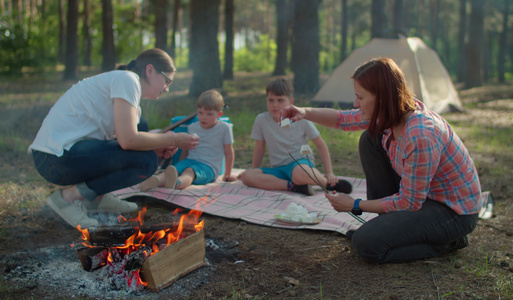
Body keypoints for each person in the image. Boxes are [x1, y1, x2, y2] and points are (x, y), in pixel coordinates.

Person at [279, 58, 482, 263]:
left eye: (360, 97)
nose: (356, 104)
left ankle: (448, 243)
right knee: (370, 138)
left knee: (367, 245)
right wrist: (303, 113)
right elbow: (342, 119)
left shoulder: (421, 135)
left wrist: (355, 204)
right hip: (424, 198)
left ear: (382, 98)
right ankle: (387, 226)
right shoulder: (389, 114)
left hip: (453, 212)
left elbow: (409, 202)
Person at [29, 48, 200, 228]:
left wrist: (155, 145)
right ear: (149, 70)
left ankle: (97, 198)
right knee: (146, 160)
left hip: (63, 156)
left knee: (141, 126)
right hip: (54, 159)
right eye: (166, 81)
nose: (166, 88)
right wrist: (172, 140)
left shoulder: (126, 86)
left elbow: (125, 143)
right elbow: (128, 141)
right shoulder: (128, 79)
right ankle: (67, 199)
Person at [240, 78, 352, 196]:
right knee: (247, 176)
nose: (275, 104)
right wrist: (255, 170)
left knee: (300, 174)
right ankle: (293, 187)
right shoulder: (261, 119)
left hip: (300, 164)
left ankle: (327, 184)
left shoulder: (301, 118)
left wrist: (329, 172)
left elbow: (321, 144)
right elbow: (259, 149)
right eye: (271, 100)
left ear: (291, 102)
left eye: (280, 100)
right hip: (278, 169)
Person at [139, 89, 237, 191]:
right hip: (189, 160)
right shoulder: (193, 127)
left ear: (219, 114)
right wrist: (180, 164)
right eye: (200, 112)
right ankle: (155, 181)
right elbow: (186, 149)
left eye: (209, 114)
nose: (204, 117)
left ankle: (177, 183)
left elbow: (229, 152)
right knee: (173, 169)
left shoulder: (225, 128)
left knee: (189, 171)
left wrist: (228, 174)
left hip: (209, 167)